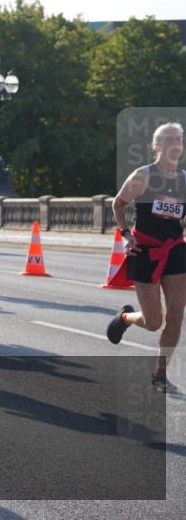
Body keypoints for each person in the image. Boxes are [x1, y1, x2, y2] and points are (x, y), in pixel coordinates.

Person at [106, 122, 186, 390]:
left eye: (178, 138)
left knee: (176, 316)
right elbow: (118, 203)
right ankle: (126, 318)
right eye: (168, 139)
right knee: (154, 322)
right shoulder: (143, 176)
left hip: (175, 251)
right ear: (156, 146)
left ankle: (160, 374)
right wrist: (127, 235)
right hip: (146, 251)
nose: (174, 142)